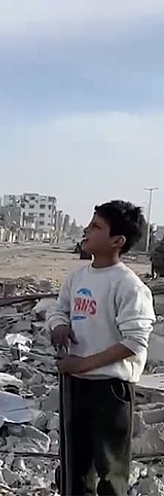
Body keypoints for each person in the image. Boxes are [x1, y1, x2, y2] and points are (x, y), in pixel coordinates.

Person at [47, 200, 156, 495]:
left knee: (111, 471)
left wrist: (83, 364)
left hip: (110, 389)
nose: (86, 230)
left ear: (117, 241)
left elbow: (133, 342)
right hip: (74, 386)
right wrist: (59, 326)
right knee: (74, 467)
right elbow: (59, 310)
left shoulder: (129, 286)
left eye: (96, 226)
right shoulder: (77, 277)